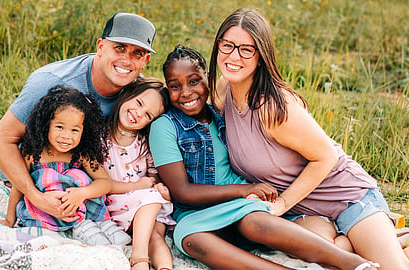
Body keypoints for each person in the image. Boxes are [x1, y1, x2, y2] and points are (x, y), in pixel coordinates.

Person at [208, 8, 409, 269]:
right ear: (218, 46)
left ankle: (387, 241)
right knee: (331, 261)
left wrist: (281, 203)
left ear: (260, 56)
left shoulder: (272, 107)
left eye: (246, 49)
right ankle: (383, 239)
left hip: (346, 197)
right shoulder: (222, 92)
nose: (233, 56)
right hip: (304, 210)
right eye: (227, 45)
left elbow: (326, 155)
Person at [149, 44, 379, 270]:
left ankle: (354, 264)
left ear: (206, 78)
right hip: (197, 213)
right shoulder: (165, 127)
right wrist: (244, 190)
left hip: (240, 207)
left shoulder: (220, 115)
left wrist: (247, 195)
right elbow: (182, 192)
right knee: (188, 238)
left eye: (194, 81)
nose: (186, 92)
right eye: (174, 86)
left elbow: (237, 78)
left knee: (253, 222)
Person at [0, 12, 156, 221]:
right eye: (119, 48)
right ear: (100, 47)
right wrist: (36, 196)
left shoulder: (138, 97)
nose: (126, 60)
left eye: (137, 54)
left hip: (94, 185)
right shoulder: (51, 82)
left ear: (146, 60)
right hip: (38, 179)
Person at [0, 85, 130, 245]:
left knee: (79, 177)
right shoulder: (34, 153)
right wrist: (8, 220)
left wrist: (82, 193)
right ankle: (79, 227)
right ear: (47, 124)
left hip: (81, 207)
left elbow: (105, 183)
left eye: (75, 130)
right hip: (45, 212)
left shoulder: (82, 154)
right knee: (46, 179)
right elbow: (19, 186)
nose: (66, 136)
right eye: (59, 127)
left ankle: (97, 224)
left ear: (84, 130)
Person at [103, 77, 176, 270]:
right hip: (116, 204)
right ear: (128, 94)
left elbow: (153, 176)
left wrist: (159, 185)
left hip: (145, 205)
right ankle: (139, 259)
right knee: (149, 205)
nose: (138, 114)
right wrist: (138, 186)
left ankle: (163, 267)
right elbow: (99, 182)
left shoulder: (144, 143)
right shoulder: (101, 137)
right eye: (139, 103)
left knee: (155, 234)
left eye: (148, 115)